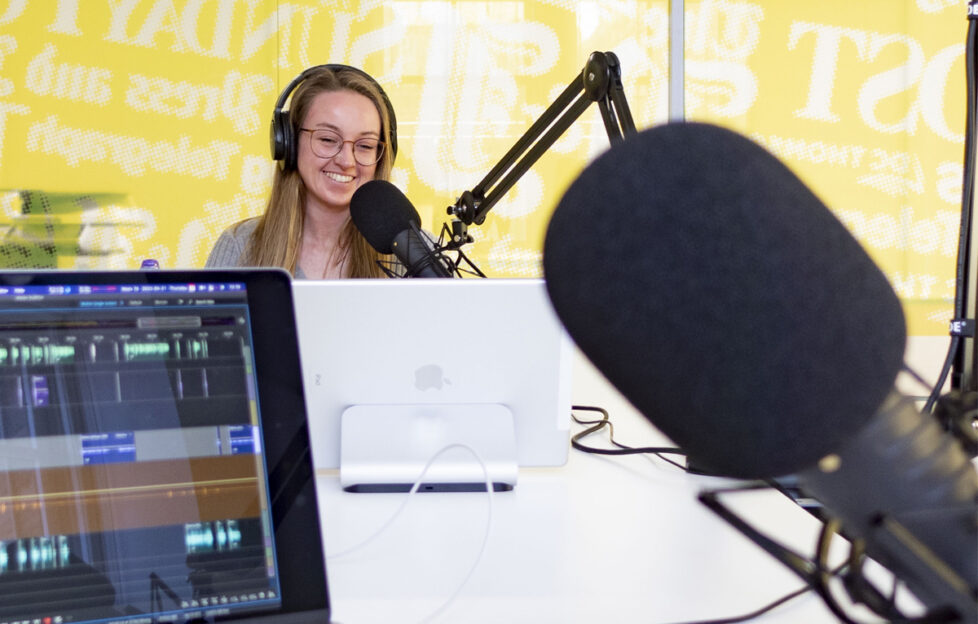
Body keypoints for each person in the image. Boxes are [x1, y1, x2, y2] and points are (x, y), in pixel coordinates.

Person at [205, 65, 397, 278]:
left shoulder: (412, 255)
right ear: (289, 144)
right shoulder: (240, 246)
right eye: (328, 139)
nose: (347, 161)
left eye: (365, 145)